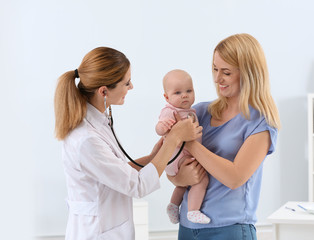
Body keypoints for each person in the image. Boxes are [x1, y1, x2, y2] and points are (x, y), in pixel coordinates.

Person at [53, 47, 202, 240]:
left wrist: (153, 157)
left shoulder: (97, 122)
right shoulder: (86, 140)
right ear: (104, 91)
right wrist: (173, 139)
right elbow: (137, 185)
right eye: (126, 83)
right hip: (97, 233)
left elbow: (118, 172)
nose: (131, 87)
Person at [168, 33, 281, 240]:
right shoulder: (200, 112)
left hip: (229, 229)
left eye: (226, 72)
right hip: (187, 228)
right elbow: (172, 161)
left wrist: (191, 144)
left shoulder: (260, 123)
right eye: (215, 69)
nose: (217, 78)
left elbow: (235, 177)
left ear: (248, 73)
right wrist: (178, 177)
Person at [155, 69, 210, 224]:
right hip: (177, 156)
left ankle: (173, 205)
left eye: (189, 91)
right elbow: (159, 129)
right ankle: (193, 211)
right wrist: (162, 126)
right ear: (166, 97)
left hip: (180, 157)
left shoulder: (191, 111)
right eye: (178, 92)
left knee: (185, 184)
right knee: (201, 180)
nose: (184, 95)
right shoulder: (170, 111)